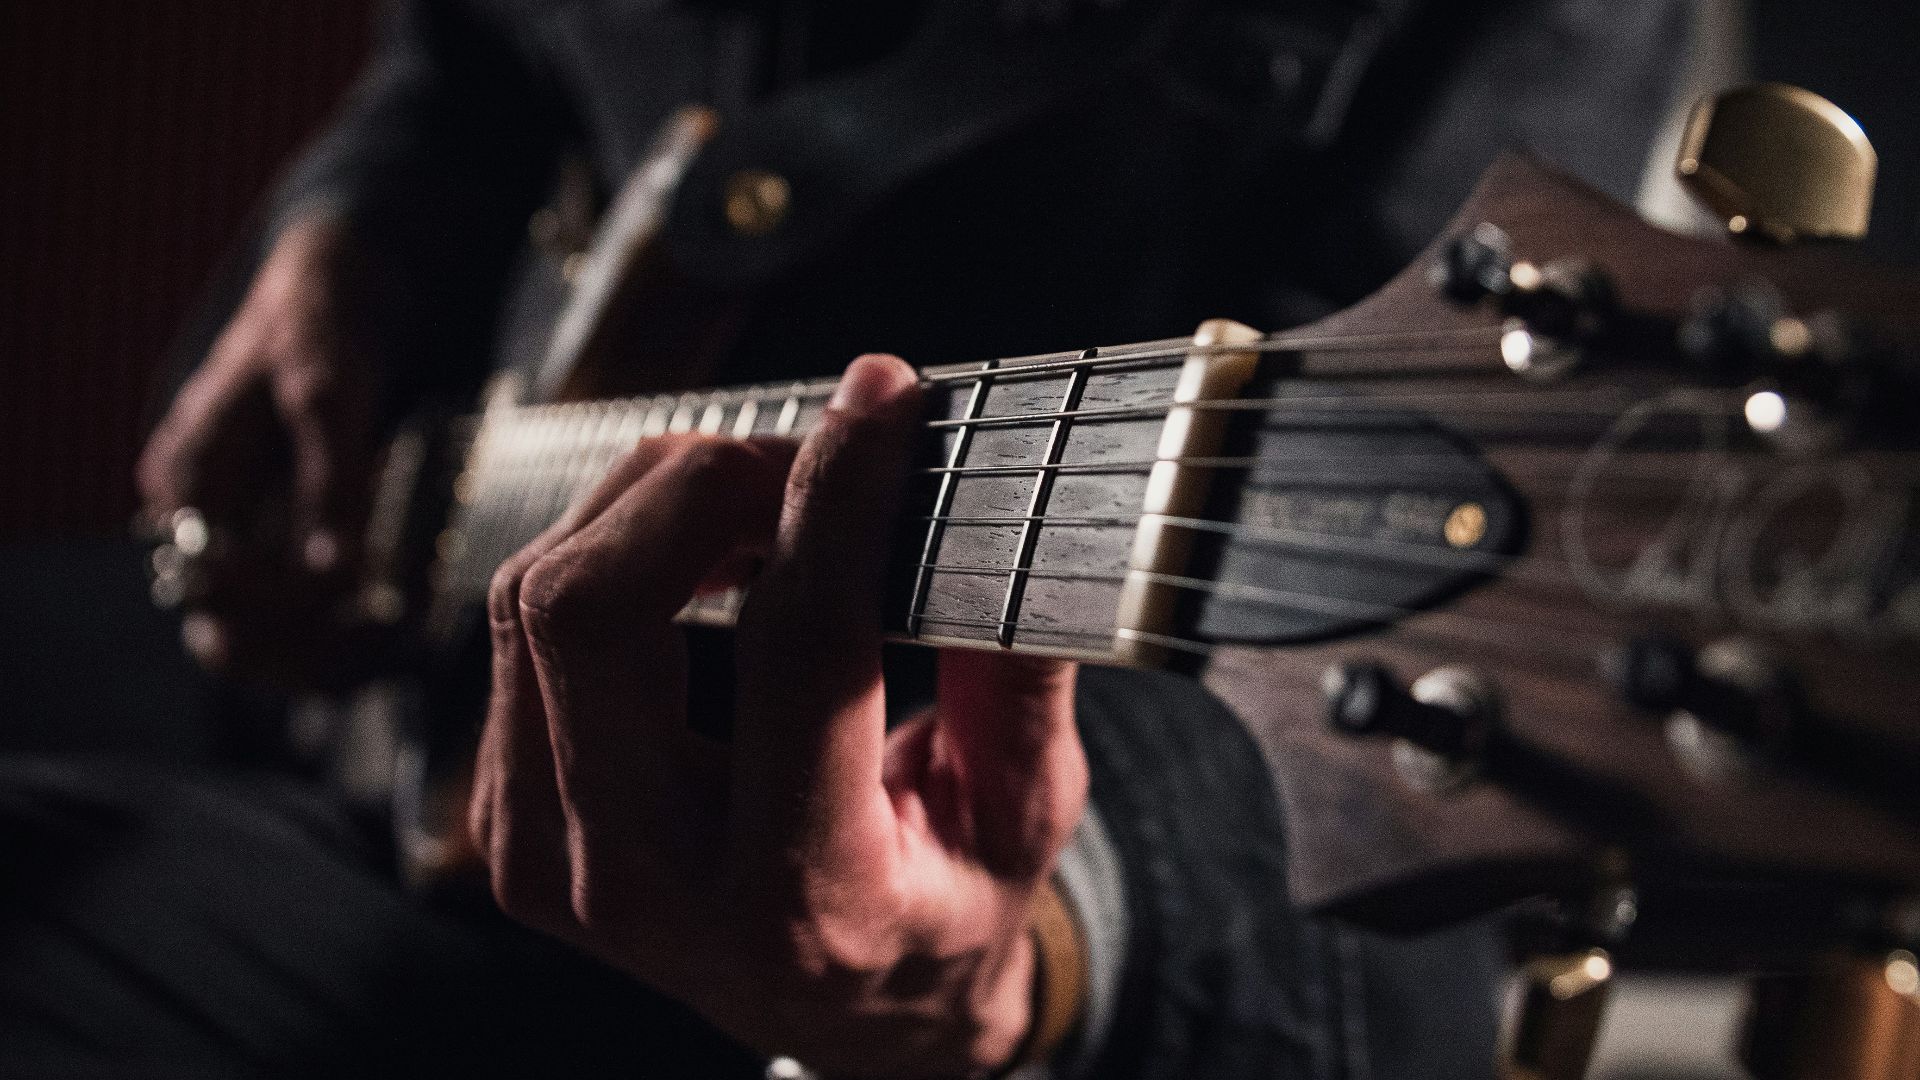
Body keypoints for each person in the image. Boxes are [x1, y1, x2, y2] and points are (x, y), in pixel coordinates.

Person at [28, 0, 1912, 1076]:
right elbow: (472, 59)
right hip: (360, 675)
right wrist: (337, 237)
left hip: (764, 940)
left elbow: (1359, 772)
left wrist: (1030, 956)